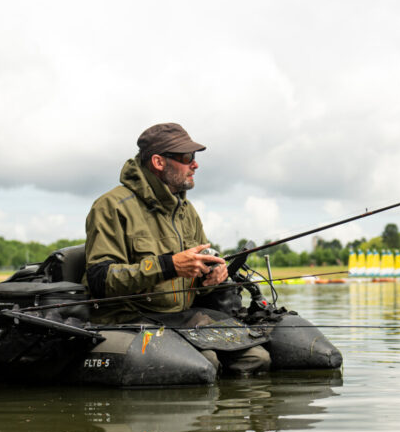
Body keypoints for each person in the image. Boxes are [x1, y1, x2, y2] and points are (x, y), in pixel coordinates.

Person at [84, 122, 270, 375]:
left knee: (256, 357)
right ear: (159, 162)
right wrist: (169, 266)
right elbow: (100, 280)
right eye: (187, 157)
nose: (195, 164)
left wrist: (212, 276)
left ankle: (225, 415)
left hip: (180, 317)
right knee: (207, 362)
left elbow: (198, 270)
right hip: (129, 319)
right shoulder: (111, 206)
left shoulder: (186, 211)